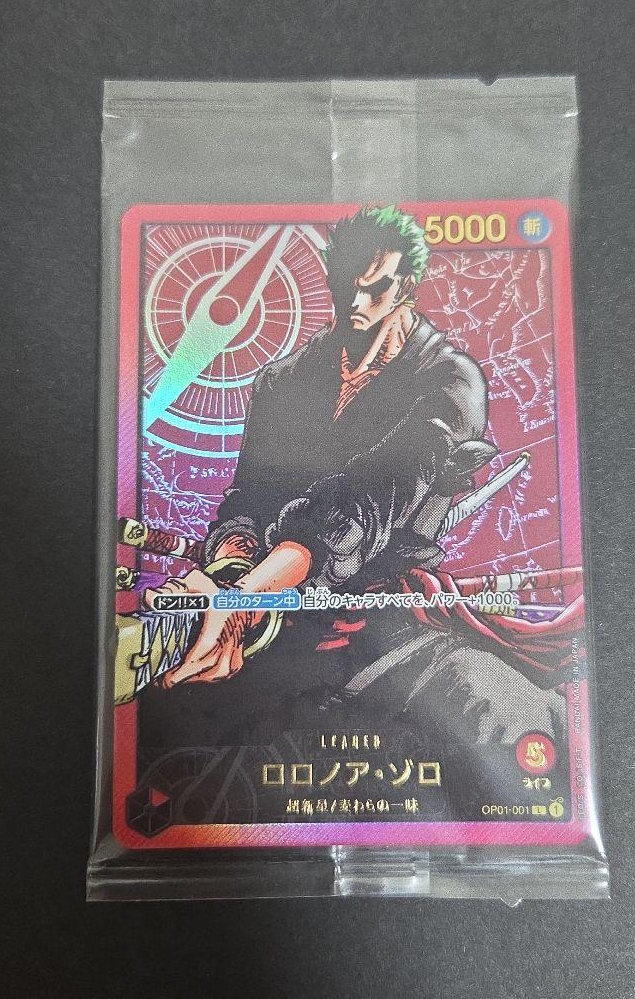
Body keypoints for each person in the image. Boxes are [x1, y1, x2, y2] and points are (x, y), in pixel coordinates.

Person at [139, 206, 567, 810]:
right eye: (345, 284)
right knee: (159, 728)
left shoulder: (451, 382)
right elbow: (248, 499)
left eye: (376, 287)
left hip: (387, 627)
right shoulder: (284, 381)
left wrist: (248, 594)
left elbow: (372, 497)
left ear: (407, 284)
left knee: (503, 726)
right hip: (275, 631)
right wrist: (230, 571)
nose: (356, 301)